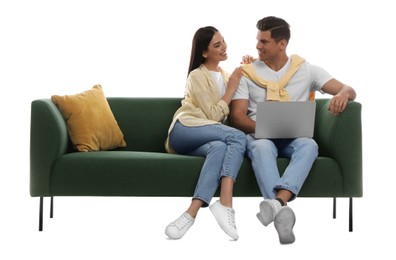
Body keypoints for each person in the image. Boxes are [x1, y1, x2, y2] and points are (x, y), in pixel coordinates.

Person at [229, 16, 357, 244]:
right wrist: (267, 128)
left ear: (282, 44)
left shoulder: (306, 70)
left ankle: (277, 204)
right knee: (262, 147)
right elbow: (238, 117)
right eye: (257, 40)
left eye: (264, 41)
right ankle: (282, 211)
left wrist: (343, 94)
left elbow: (348, 88)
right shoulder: (247, 73)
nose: (258, 46)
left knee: (309, 145)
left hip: (294, 137)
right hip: (260, 135)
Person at [164, 26, 248, 240]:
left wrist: (251, 68)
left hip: (208, 138)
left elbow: (243, 97)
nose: (224, 47)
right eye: (217, 45)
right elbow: (211, 117)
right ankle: (226, 203)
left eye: (224, 42)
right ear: (204, 52)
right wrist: (230, 90)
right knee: (238, 137)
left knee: (220, 148)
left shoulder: (227, 75)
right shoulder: (196, 76)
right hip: (185, 129)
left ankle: (189, 215)